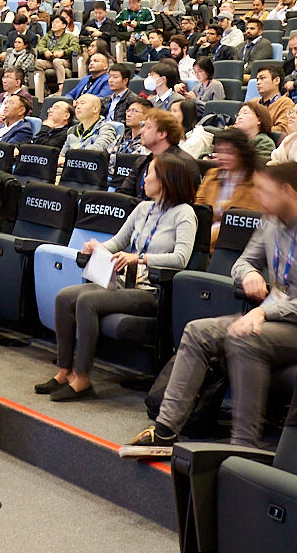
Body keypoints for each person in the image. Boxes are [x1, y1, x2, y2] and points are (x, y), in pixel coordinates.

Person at [130, 160, 297, 451]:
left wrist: (263, 311)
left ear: (288, 191)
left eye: (264, 190)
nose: (258, 197)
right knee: (197, 331)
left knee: (243, 338)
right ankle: (166, 428)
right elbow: (243, 262)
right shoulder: (272, 224)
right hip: (275, 320)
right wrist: (249, 273)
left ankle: (243, 444)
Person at [39, 153, 198, 401]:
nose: (144, 178)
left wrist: (140, 258)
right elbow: (118, 242)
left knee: (86, 301)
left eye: (150, 173)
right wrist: (96, 247)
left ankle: (82, 378)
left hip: (150, 291)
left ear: (166, 180)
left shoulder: (184, 213)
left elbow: (181, 259)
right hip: (125, 283)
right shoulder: (143, 208)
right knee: (64, 297)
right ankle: (64, 371)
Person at [195, 127, 261, 247]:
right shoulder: (211, 175)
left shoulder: (256, 182)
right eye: (220, 151)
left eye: (230, 152)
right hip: (205, 237)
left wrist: (221, 215)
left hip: (234, 242)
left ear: (242, 153)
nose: (223, 157)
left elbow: (250, 220)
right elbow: (200, 209)